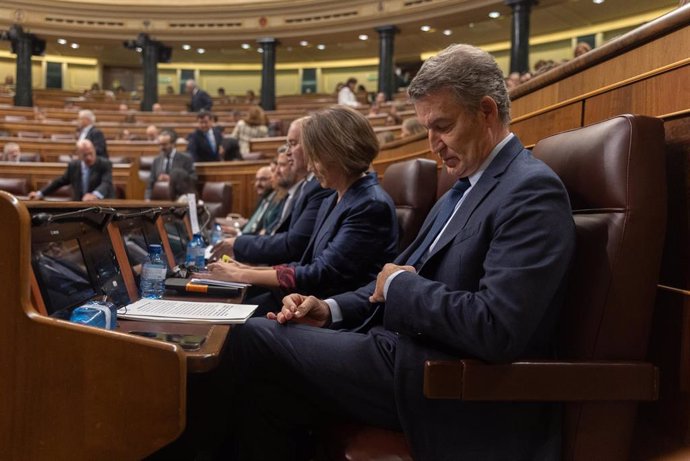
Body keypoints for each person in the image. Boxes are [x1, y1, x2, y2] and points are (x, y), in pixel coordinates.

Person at [225, 43, 576, 461]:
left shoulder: (530, 190)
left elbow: (495, 327)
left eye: (442, 126)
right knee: (268, 393)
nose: (433, 144)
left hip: (438, 380)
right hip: (397, 354)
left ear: (486, 112)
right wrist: (329, 308)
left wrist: (402, 285)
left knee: (249, 335)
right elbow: (386, 283)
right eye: (427, 129)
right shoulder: (461, 188)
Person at [206, 106, 398, 315]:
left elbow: (321, 274)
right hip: (304, 301)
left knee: (232, 325)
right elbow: (306, 263)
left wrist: (240, 276)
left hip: (335, 316)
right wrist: (246, 269)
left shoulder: (369, 205)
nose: (310, 166)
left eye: (316, 156)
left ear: (340, 153)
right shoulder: (334, 197)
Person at [211, 117, 333, 266]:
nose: (288, 153)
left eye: (293, 144)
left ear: (313, 145)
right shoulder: (307, 186)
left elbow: (294, 246)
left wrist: (242, 260)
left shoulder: (319, 187)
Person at [28, 139, 114, 201]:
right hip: (80, 206)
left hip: (102, 206)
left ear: (94, 150)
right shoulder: (73, 166)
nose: (89, 158)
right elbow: (59, 182)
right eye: (85, 155)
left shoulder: (105, 164)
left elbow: (106, 183)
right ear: (78, 154)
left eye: (91, 153)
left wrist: (94, 195)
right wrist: (40, 194)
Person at [146, 130, 197, 200]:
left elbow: (193, 179)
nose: (161, 147)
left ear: (173, 144)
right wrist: (147, 200)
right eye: (160, 144)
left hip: (180, 199)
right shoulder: (156, 160)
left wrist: (173, 179)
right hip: (159, 200)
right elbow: (150, 184)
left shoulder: (186, 159)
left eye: (164, 144)